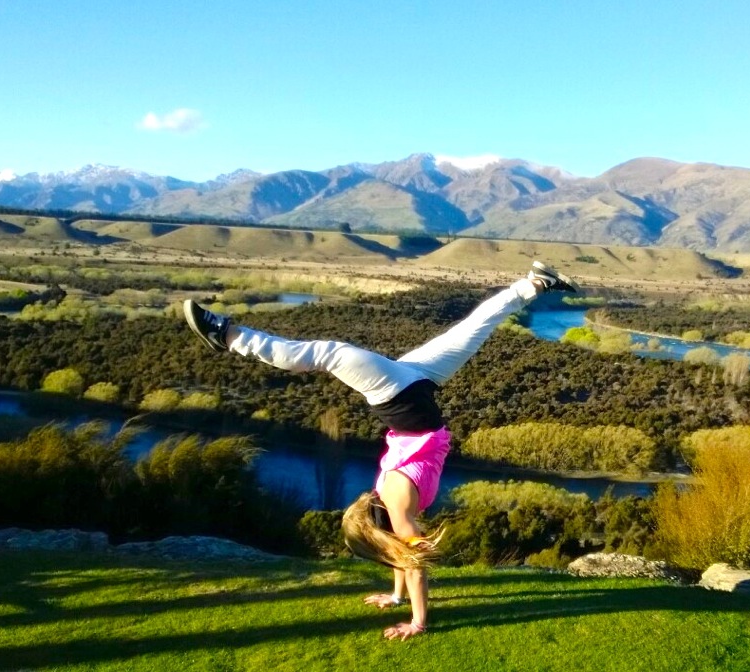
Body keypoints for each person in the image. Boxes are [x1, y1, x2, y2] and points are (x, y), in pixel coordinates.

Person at [182, 261, 578, 640]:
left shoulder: (393, 507)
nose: (359, 500)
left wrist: (395, 597)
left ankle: (536, 282)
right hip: (400, 398)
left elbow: (400, 555)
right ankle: (228, 336)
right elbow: (414, 562)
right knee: (326, 353)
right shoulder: (396, 502)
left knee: (474, 327)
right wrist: (417, 623)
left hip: (415, 388)